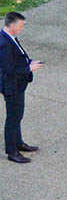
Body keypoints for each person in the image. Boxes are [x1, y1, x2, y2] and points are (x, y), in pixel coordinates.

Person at [1, 12, 43, 164]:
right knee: (13, 119)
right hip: (12, 87)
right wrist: (29, 68)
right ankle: (12, 151)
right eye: (21, 25)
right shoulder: (4, 43)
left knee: (17, 116)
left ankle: (18, 143)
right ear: (12, 26)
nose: (22, 28)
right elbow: (9, 68)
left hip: (18, 85)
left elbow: (19, 57)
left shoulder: (10, 38)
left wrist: (30, 62)